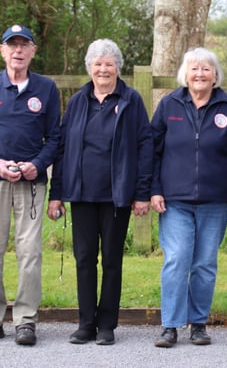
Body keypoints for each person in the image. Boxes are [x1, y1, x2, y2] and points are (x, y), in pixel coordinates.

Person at [47, 39, 153, 346]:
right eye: (97, 64)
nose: (103, 69)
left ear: (117, 68)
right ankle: (86, 323)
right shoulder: (79, 100)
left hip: (117, 195)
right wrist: (57, 194)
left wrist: (142, 193)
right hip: (82, 195)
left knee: (111, 260)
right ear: (89, 68)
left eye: (109, 64)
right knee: (83, 259)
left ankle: (107, 324)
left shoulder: (131, 100)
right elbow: (62, 149)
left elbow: (145, 146)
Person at [0, 24, 61, 346]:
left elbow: (55, 138)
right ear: (1, 50)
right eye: (12, 45)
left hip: (31, 183)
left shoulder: (46, 89)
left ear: (33, 50)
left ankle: (25, 320)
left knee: (30, 251)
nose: (18, 51)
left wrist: (38, 164)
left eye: (24, 45)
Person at [150, 47, 227, 348]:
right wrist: (153, 189)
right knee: (177, 260)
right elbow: (152, 151)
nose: (200, 74)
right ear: (185, 74)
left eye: (206, 69)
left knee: (205, 263)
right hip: (175, 200)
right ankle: (170, 325)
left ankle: (199, 324)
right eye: (194, 68)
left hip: (215, 201)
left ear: (215, 75)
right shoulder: (169, 104)